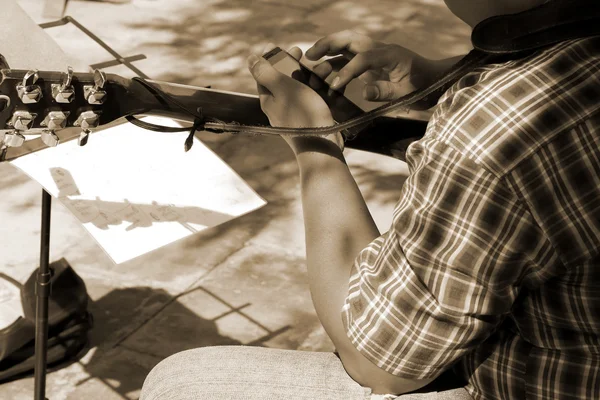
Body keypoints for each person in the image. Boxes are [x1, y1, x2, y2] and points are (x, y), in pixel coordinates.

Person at [140, 0, 600, 399]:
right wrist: (445, 79)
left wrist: (313, 145)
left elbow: (380, 364)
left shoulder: (492, 133)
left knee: (185, 383)